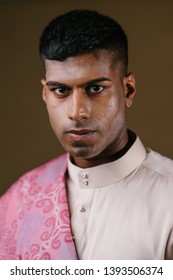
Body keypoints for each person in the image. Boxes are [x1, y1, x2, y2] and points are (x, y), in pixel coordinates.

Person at [0, 9, 173, 260]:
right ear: (45, 95)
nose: (76, 112)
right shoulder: (21, 197)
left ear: (128, 90)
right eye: (60, 90)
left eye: (94, 88)